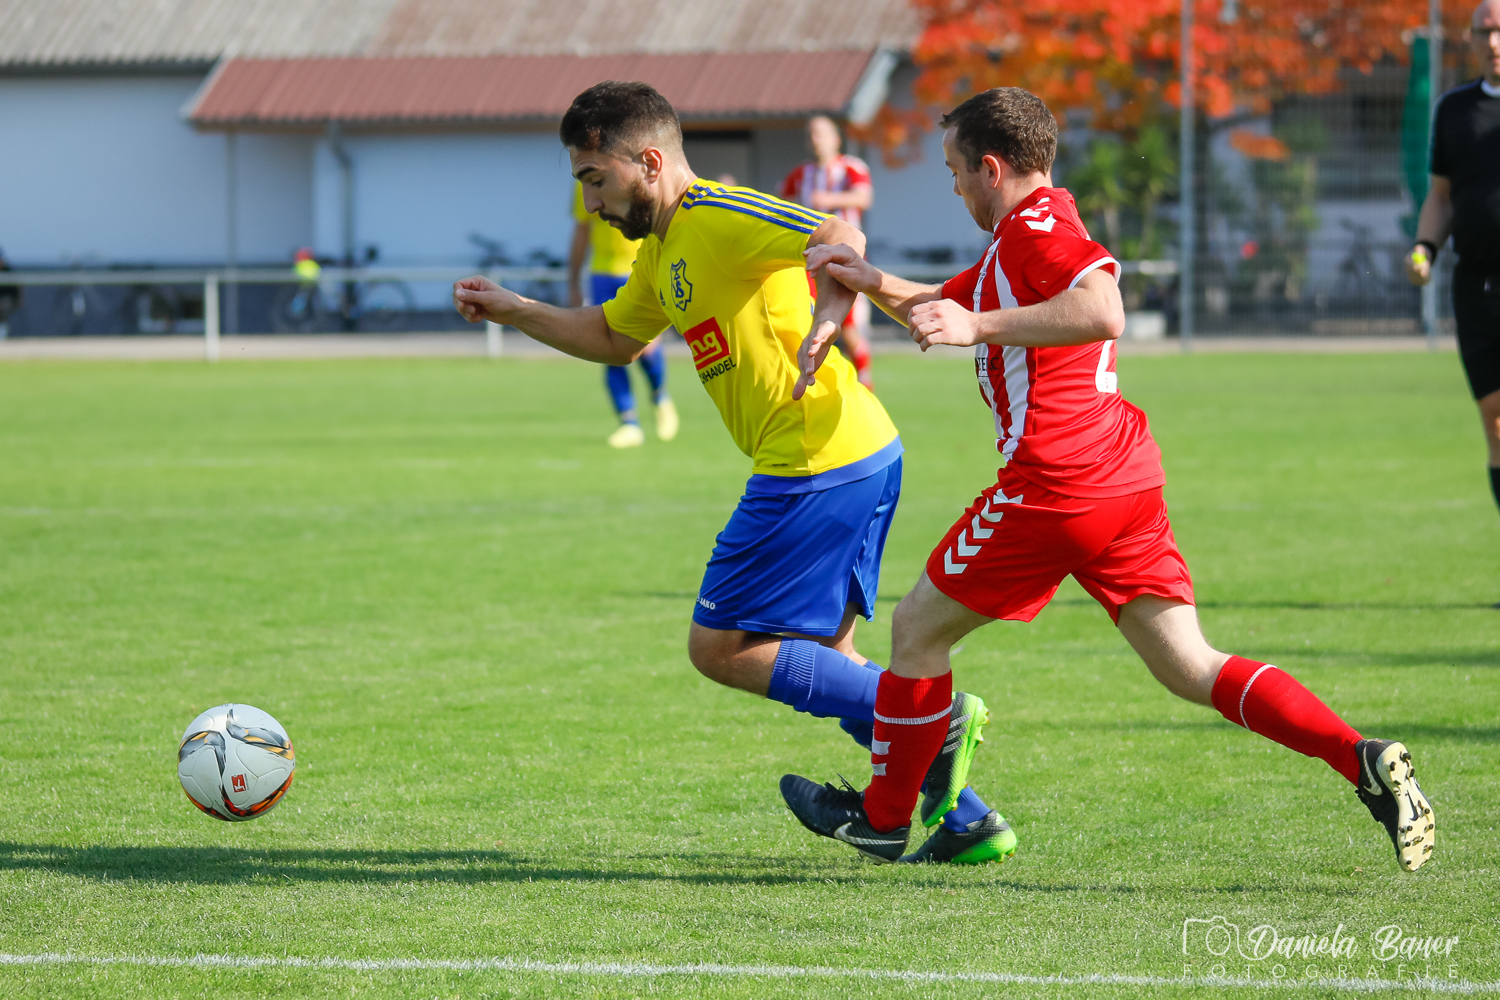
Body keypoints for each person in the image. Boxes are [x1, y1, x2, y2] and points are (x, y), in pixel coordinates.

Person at [781, 87, 1436, 872]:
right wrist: (868, 276)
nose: (952, 186)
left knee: (917, 630)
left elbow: (1102, 307)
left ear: (992, 168)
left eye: (956, 170)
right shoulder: (1017, 238)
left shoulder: (1038, 226)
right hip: (1120, 478)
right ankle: (1359, 757)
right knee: (1189, 665)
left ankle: (884, 819)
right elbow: (938, 306)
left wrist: (978, 326)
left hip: (1058, 482)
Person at [454, 81, 1012, 862]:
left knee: (720, 647)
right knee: (826, 657)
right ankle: (969, 818)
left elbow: (835, 228)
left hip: (814, 459)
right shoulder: (662, 253)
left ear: (648, 161)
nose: (591, 206)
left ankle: (923, 714)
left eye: (595, 180)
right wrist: (519, 309)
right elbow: (616, 336)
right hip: (849, 455)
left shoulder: (718, 215)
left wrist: (829, 312)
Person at [1407, 0, 1500, 521]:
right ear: (1469, 39)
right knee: (1495, 421)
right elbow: (1440, 195)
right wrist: (1425, 248)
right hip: (1477, 286)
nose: (1493, 42)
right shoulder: (1454, 110)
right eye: (1483, 31)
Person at [568, 181, 679, 448]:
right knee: (608, 348)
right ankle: (629, 422)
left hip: (638, 267)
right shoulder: (585, 180)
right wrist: (573, 280)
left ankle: (659, 395)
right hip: (602, 272)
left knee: (648, 348)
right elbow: (582, 231)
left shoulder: (632, 174)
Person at [780, 116, 876, 389]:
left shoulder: (850, 167)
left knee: (850, 325)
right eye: (811, 134)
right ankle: (812, 379)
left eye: (821, 133)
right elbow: (782, 206)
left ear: (836, 138)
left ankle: (866, 384)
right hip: (810, 261)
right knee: (809, 320)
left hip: (848, 257)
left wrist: (831, 200)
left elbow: (864, 197)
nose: (816, 139)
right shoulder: (801, 174)